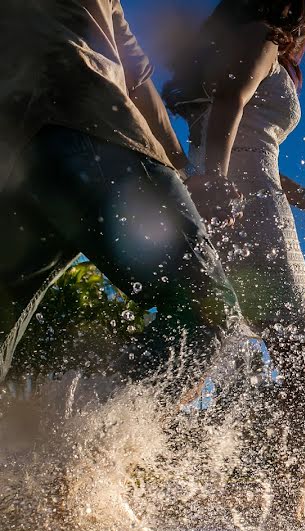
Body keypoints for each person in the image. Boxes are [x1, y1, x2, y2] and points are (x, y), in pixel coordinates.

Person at [164, 0, 305, 522]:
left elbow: (252, 151)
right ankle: (289, 512)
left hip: (225, 203)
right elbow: (233, 104)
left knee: (200, 352)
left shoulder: (217, 52)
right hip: (247, 211)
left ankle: (110, 445)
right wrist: (218, 185)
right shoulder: (262, 37)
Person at [0, 1, 246, 394]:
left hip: (15, 165)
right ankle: (91, 447)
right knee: (208, 308)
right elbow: (137, 81)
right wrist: (182, 172)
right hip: (95, 127)